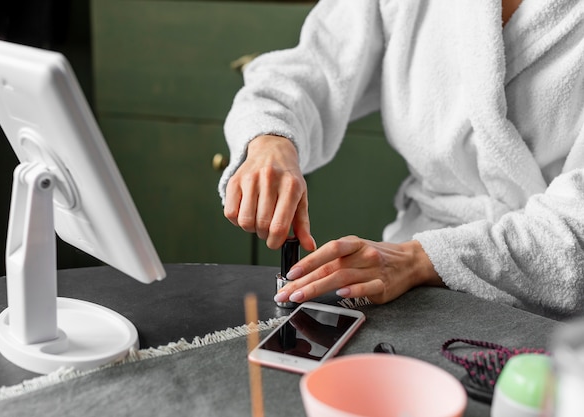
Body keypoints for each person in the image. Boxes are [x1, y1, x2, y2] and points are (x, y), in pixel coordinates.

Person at [218, 0, 584, 320]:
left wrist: (421, 259)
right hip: (406, 278)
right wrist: (271, 139)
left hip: (554, 306)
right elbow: (307, 70)